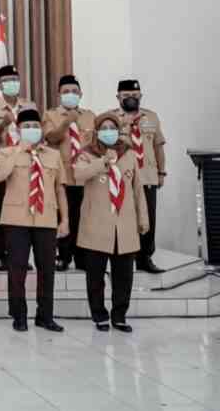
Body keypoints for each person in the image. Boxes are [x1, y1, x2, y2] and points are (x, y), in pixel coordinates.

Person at [0, 108, 68, 333]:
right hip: (16, 220)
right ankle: (19, 315)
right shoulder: (7, 152)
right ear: (18, 130)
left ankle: (45, 316)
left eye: (35, 126)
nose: (32, 130)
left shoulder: (53, 155)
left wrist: (64, 220)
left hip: (46, 218)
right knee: (17, 269)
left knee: (47, 270)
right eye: (26, 127)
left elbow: (60, 189)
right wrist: (20, 150)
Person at [74, 113, 150, 332]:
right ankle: (99, 315)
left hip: (124, 225)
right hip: (96, 225)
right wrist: (103, 162)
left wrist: (143, 218)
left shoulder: (129, 154)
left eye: (112, 128)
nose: (109, 131)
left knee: (124, 276)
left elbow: (138, 190)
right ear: (97, 132)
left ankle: (119, 316)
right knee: (95, 276)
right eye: (104, 128)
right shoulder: (86, 154)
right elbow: (79, 175)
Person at [0, 65, 36, 271]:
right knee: (1, 212)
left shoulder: (29, 105)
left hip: (25, 166)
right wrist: (3, 123)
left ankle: (21, 255)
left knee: (24, 211)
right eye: (7, 80)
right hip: (2, 166)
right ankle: (1, 255)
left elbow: (36, 134)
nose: (12, 83)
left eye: (15, 79)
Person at [111, 79, 167, 274]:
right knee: (123, 218)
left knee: (148, 218)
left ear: (140, 96)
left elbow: (158, 147)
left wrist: (161, 172)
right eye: (126, 95)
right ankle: (123, 259)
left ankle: (145, 259)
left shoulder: (151, 117)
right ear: (118, 97)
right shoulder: (111, 118)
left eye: (135, 95)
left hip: (147, 176)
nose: (131, 98)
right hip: (122, 177)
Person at [42, 75, 95, 272]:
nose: (70, 95)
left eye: (74, 91)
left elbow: (95, 144)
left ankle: (82, 257)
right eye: (66, 92)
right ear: (59, 94)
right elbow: (51, 138)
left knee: (83, 217)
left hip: (84, 176)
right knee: (63, 215)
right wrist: (66, 122)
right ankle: (63, 256)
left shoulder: (89, 116)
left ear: (80, 94)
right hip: (62, 175)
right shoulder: (51, 115)